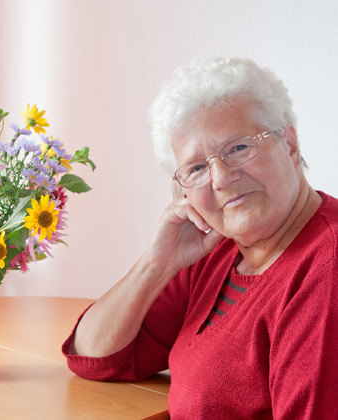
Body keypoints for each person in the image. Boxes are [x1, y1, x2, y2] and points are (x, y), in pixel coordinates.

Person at [61, 56, 338, 419]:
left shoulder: (325, 271)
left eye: (238, 148)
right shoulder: (219, 250)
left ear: (289, 143)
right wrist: (156, 265)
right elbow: (95, 356)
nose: (221, 178)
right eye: (196, 168)